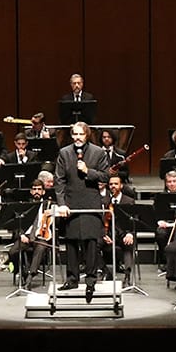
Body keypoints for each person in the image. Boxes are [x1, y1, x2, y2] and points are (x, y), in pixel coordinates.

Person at [53, 121, 110, 298]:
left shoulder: (98, 152)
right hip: (70, 204)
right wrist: (61, 203)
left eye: (81, 134)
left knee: (91, 243)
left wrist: (88, 171)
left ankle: (91, 281)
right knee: (71, 242)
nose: (78, 137)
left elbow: (105, 176)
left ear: (87, 135)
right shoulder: (64, 153)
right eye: (75, 134)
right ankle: (72, 279)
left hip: (90, 203)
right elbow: (59, 181)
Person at [9, 175, 55, 288]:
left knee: (41, 248)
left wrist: (54, 212)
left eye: (39, 189)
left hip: (41, 236)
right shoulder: (24, 206)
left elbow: (56, 223)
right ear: (31, 191)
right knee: (12, 252)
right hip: (26, 236)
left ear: (43, 192)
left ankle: (30, 276)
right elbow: (16, 223)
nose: (37, 191)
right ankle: (22, 271)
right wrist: (21, 234)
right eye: (34, 189)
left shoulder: (48, 205)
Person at [101, 173, 136, 277]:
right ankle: (105, 271)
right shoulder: (104, 201)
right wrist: (103, 234)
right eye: (111, 184)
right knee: (94, 244)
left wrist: (130, 234)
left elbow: (133, 221)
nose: (113, 186)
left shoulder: (129, 201)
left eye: (116, 184)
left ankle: (127, 274)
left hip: (124, 233)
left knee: (128, 243)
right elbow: (100, 220)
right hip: (109, 234)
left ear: (121, 186)